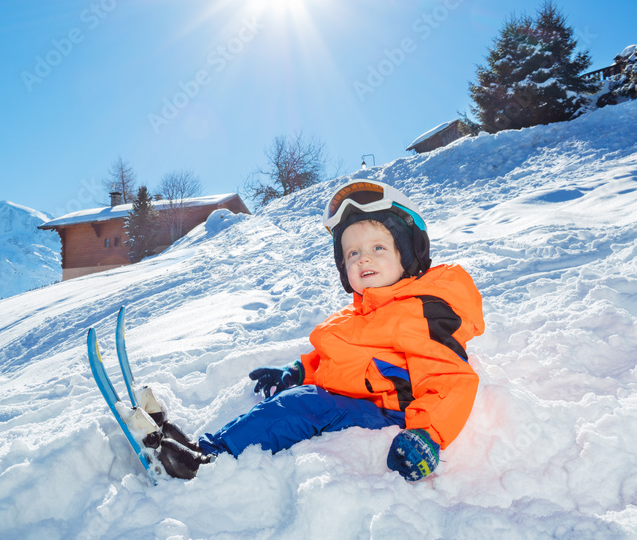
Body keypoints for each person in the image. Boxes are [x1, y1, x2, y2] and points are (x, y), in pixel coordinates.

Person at [147, 179, 485, 482]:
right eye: (352, 253)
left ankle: (212, 463)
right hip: (354, 400)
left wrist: (427, 434)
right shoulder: (357, 315)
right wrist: (296, 371)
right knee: (291, 401)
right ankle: (202, 446)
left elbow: (451, 379)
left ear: (408, 253)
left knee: (301, 407)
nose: (363, 259)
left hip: (390, 412)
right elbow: (337, 357)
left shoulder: (422, 309)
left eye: (377, 248)